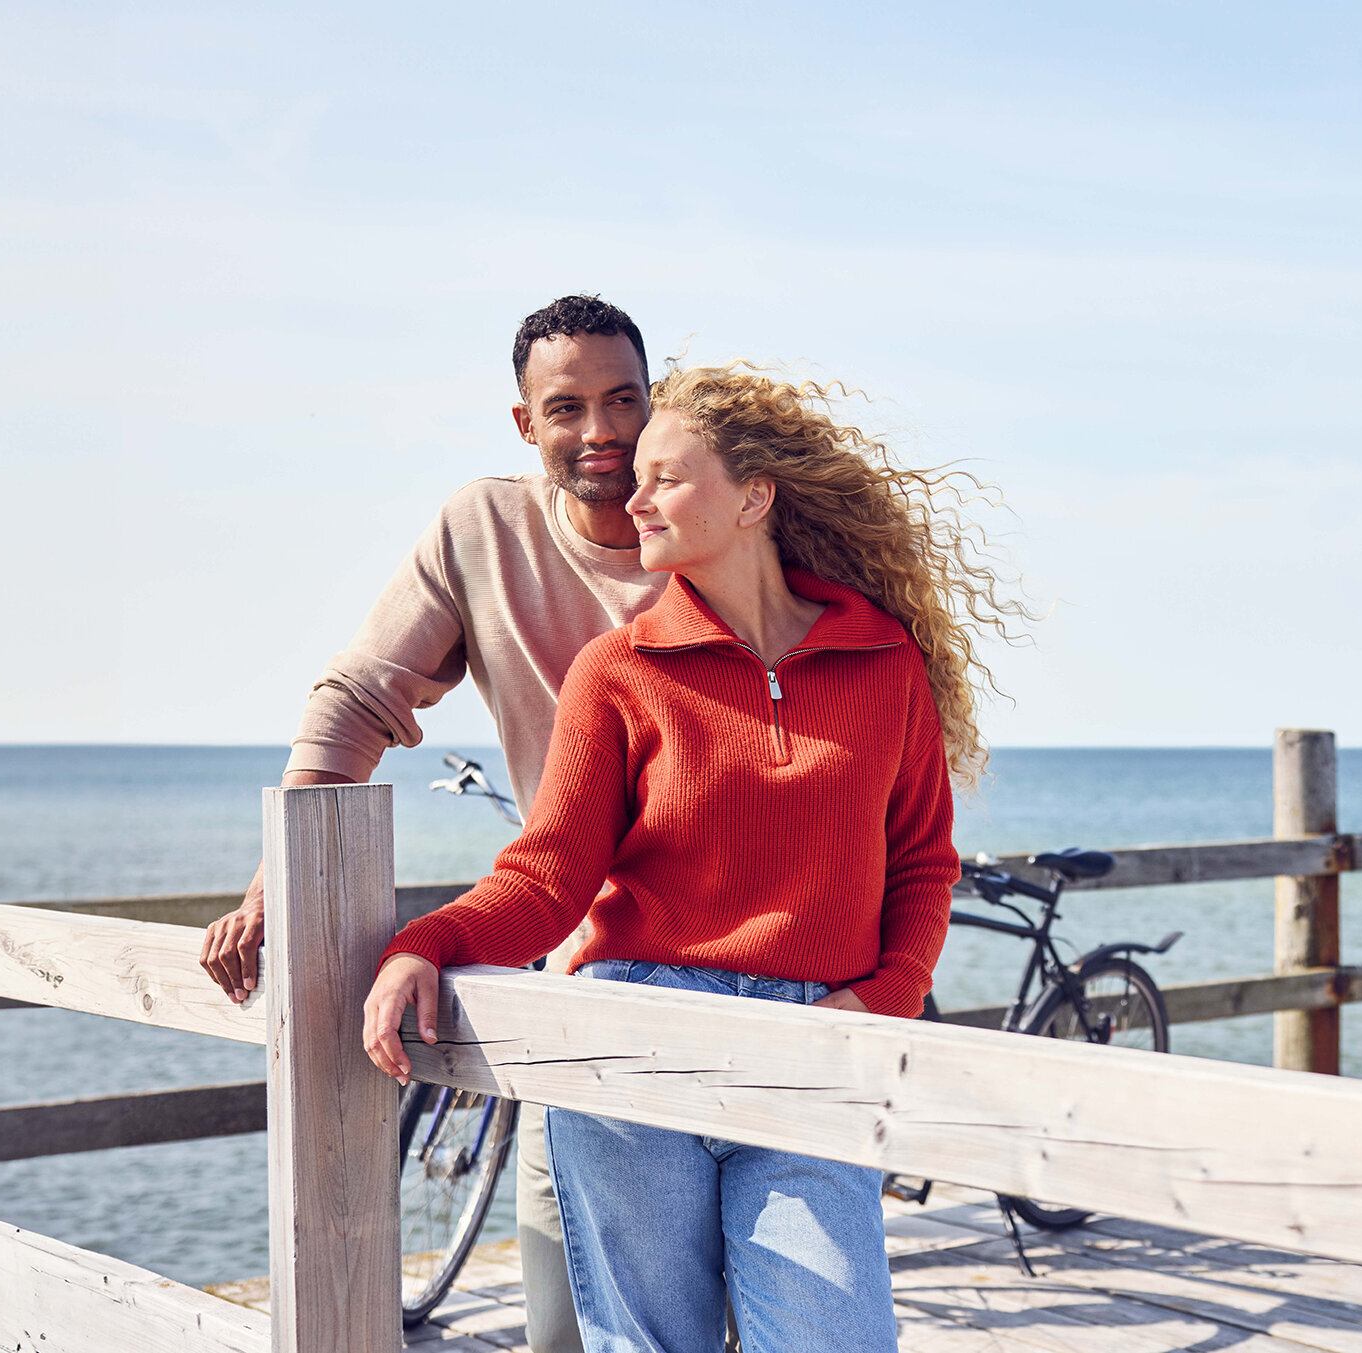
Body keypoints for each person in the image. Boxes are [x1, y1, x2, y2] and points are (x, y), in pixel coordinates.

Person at [356, 362, 1015, 1353]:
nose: (635, 497)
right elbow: (547, 876)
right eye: (640, 480)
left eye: (666, 475)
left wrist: (881, 1002)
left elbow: (922, 864)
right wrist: (428, 941)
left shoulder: (885, 663)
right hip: (635, 1043)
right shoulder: (618, 672)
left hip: (812, 1050)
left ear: (753, 498)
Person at [198, 294, 666, 1353]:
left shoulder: (717, 528)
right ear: (525, 425)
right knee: (565, 1327)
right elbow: (362, 694)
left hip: (740, 968)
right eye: (568, 407)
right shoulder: (485, 529)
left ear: (658, 400)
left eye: (625, 399)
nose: (602, 432)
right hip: (584, 963)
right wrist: (285, 879)